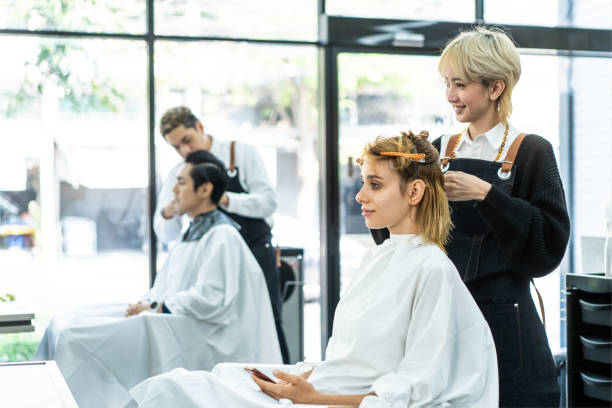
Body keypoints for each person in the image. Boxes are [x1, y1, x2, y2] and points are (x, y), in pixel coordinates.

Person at [129, 131, 499, 407]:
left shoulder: (431, 269)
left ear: (415, 192)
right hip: (320, 388)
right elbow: (349, 359)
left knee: (174, 392)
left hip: (329, 400)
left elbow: (409, 391)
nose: (360, 197)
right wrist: (298, 379)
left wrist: (314, 397)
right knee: (204, 380)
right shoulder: (379, 257)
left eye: (374, 185)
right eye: (362, 184)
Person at [373, 27, 570, 407]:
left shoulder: (532, 152)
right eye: (447, 83)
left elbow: (548, 247)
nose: (450, 95)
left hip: (506, 324)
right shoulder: (437, 151)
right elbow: (395, 240)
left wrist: (487, 195)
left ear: (495, 88)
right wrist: (394, 184)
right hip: (438, 319)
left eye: (460, 84)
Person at [34, 158, 281, 408]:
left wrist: (155, 307)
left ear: (205, 189)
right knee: (65, 320)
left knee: (74, 336)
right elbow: (169, 286)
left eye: (182, 183)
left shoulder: (222, 235)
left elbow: (210, 299)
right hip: (172, 316)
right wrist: (149, 303)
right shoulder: (195, 231)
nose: (174, 190)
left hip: (204, 334)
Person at [155, 106, 289, 363]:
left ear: (201, 128)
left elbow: (268, 203)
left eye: (187, 141)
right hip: (208, 257)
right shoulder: (178, 174)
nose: (185, 151)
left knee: (265, 322)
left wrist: (222, 199)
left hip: (253, 250)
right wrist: (170, 210)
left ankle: (281, 388)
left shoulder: (239, 153)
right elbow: (164, 234)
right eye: (176, 148)